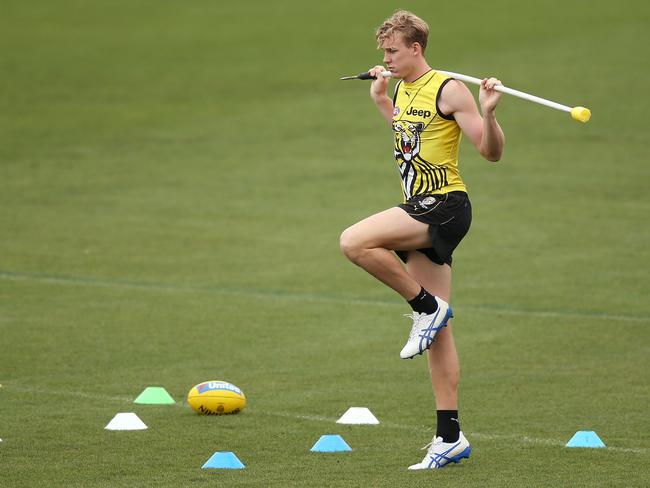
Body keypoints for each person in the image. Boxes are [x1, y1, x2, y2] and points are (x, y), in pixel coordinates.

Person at [339, 10, 505, 470]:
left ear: (417, 48)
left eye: (393, 51)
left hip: (445, 204)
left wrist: (488, 114)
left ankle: (425, 307)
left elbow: (490, 153)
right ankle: (449, 437)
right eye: (383, 52)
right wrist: (382, 103)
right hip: (421, 203)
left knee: (354, 242)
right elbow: (410, 143)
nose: (386, 59)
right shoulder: (402, 87)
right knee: (439, 338)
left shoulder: (449, 88)